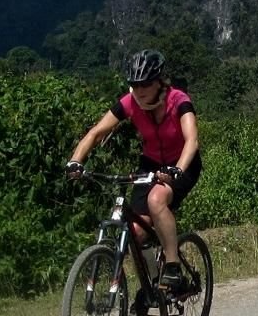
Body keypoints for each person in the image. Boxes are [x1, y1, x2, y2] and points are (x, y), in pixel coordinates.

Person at [67, 49, 202, 295]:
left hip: (183, 163)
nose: (140, 90)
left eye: (147, 84)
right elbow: (96, 132)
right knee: (137, 232)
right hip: (150, 163)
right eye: (135, 84)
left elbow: (191, 140)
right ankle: (153, 284)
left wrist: (176, 171)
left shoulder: (178, 100)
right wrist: (76, 161)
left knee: (156, 199)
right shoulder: (129, 103)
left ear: (160, 81)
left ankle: (172, 266)